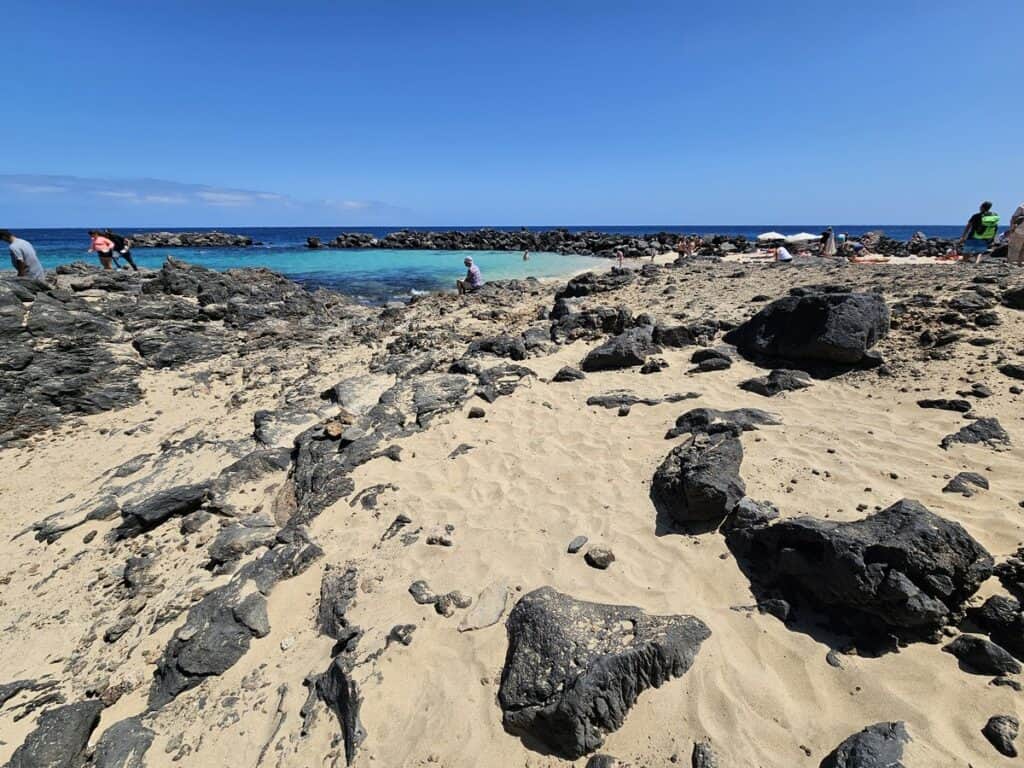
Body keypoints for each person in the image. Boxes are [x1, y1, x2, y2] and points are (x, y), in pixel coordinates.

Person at [1008, 202, 1024, 267]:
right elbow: (1014, 218)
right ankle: (1019, 262)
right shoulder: (1021, 206)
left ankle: (1018, 262)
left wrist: (1011, 228)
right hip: (1021, 228)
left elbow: (1013, 218)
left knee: (1019, 246)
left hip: (1020, 228)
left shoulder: (1021, 206)